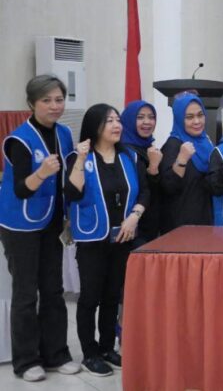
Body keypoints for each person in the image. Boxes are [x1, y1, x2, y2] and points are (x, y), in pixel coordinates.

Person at [0, 75, 79, 381]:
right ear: (31, 104)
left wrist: (68, 216)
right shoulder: (19, 139)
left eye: (59, 99)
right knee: (25, 293)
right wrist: (43, 172)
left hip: (51, 221)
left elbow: (67, 180)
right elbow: (21, 189)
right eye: (46, 100)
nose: (54, 106)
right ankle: (26, 361)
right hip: (20, 225)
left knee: (53, 290)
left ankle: (56, 354)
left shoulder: (64, 133)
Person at [65, 104, 149, 377]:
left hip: (122, 236)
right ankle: (89, 353)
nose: (116, 125)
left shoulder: (129, 156)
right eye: (109, 121)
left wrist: (135, 216)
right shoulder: (79, 157)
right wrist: (80, 159)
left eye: (117, 120)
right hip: (92, 238)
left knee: (112, 295)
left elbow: (144, 192)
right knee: (90, 297)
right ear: (95, 126)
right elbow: (72, 193)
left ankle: (106, 347)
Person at [159, 93, 215, 230]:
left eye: (200, 115)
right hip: (181, 226)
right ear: (179, 119)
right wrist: (182, 159)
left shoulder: (206, 143)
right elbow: (168, 187)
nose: (197, 121)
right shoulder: (173, 145)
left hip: (205, 221)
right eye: (189, 117)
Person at [119, 100, 163, 244]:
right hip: (133, 227)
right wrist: (153, 167)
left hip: (151, 225)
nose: (147, 122)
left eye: (151, 117)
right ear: (129, 120)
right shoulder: (125, 152)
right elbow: (144, 190)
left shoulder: (147, 147)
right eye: (140, 117)